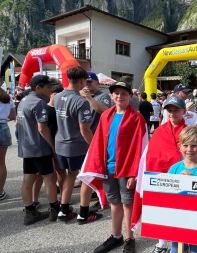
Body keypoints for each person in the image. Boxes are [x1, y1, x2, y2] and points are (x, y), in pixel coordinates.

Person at [79, 81, 147, 253]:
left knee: (127, 204)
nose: (119, 96)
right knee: (115, 203)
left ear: (130, 96)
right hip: (108, 168)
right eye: (116, 93)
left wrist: (136, 174)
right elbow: (99, 142)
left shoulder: (136, 118)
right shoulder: (106, 116)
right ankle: (116, 236)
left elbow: (142, 146)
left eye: (123, 93)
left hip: (127, 169)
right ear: (111, 96)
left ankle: (129, 238)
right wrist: (96, 166)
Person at [131, 95, 187, 253]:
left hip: (182, 178)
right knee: (161, 211)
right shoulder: (159, 132)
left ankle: (178, 245)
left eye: (176, 110)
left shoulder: (190, 131)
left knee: (180, 213)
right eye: (170, 110)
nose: (172, 113)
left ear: (183, 111)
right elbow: (148, 156)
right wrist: (141, 177)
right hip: (161, 179)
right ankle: (161, 243)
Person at [16, 75, 59, 225]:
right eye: (48, 87)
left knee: (28, 179)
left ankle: (30, 212)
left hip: (27, 147)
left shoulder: (23, 101)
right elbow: (42, 128)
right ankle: (54, 208)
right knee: (49, 178)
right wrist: (53, 146)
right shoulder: (39, 103)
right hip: (39, 148)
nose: (50, 89)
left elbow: (17, 123)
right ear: (38, 87)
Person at [54, 66, 93, 221]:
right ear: (82, 81)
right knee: (87, 176)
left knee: (71, 175)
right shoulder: (80, 101)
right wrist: (95, 146)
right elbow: (85, 129)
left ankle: (63, 210)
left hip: (60, 144)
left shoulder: (57, 97)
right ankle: (84, 213)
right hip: (76, 145)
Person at [169, 126, 197, 253]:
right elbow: (167, 199)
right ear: (180, 146)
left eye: (194, 145)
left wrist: (192, 183)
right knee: (176, 250)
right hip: (178, 224)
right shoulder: (174, 169)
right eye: (185, 145)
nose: (189, 149)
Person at [77, 71, 113, 218]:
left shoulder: (102, 96)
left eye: (90, 82)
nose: (87, 84)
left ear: (97, 82)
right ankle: (92, 197)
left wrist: (89, 98)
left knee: (98, 171)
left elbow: (105, 111)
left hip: (98, 139)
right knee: (85, 172)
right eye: (85, 82)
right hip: (83, 138)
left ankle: (101, 199)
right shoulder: (79, 95)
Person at [0, 84, 15, 201]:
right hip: (3, 128)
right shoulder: (7, 97)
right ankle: (0, 192)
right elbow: (13, 116)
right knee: (1, 163)